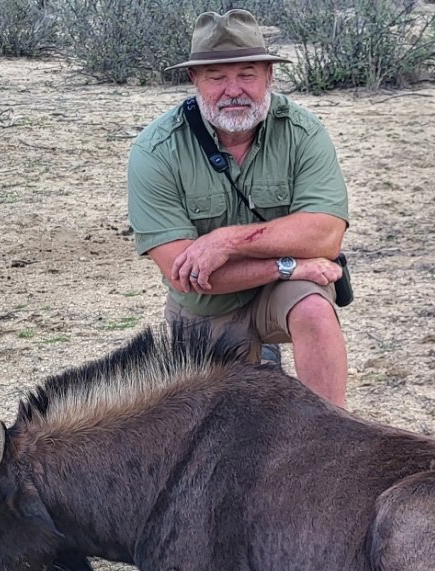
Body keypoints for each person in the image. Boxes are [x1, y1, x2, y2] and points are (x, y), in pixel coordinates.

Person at [126, 9, 351, 408]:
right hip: (207, 307)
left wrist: (229, 240)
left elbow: (326, 234)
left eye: (247, 74)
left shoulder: (304, 132)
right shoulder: (155, 150)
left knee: (316, 310)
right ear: (194, 80)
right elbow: (186, 275)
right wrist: (289, 266)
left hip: (282, 294)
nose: (233, 90)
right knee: (223, 430)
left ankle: (335, 437)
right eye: (216, 77)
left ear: (269, 76)